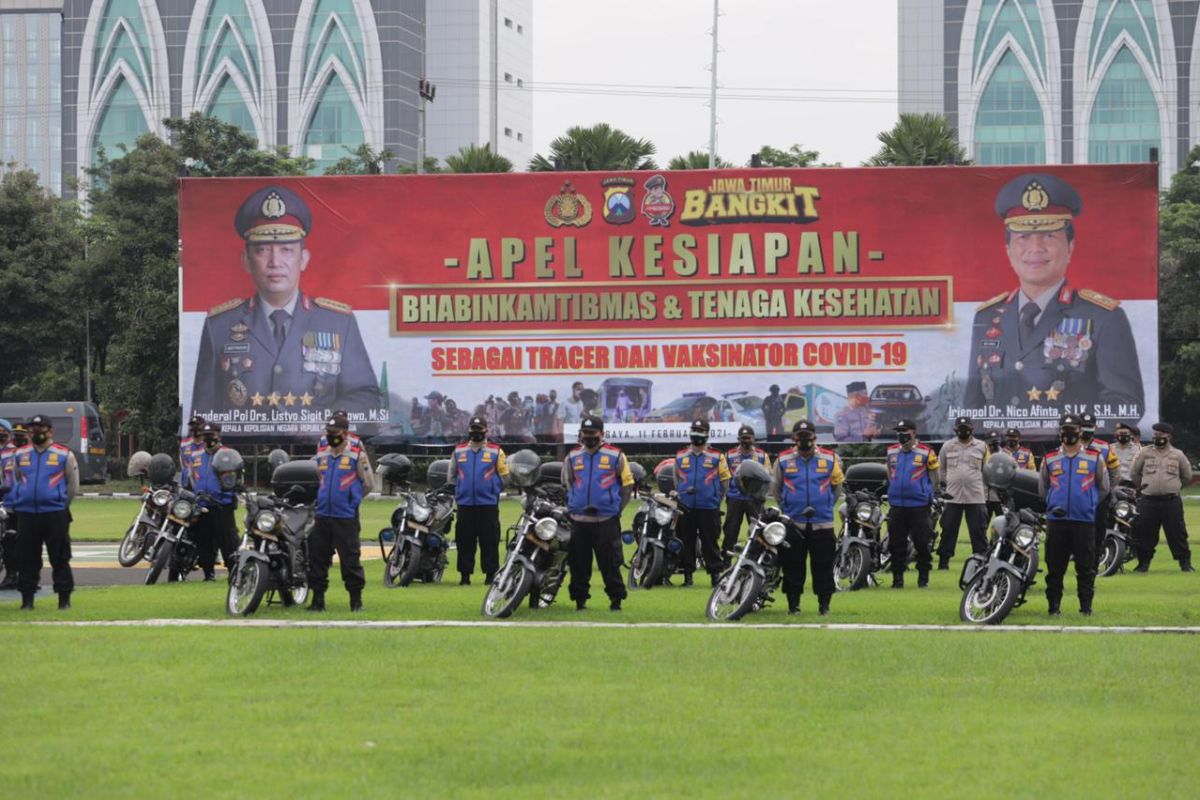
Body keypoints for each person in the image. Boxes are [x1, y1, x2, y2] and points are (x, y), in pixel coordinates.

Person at [190, 184, 380, 418]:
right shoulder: (218, 326)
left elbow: (365, 398)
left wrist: (316, 426)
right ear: (246, 261)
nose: (275, 262)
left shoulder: (339, 323)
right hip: (243, 454)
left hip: (318, 451)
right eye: (262, 250)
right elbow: (203, 413)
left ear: (304, 259)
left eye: (287, 250)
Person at [963, 173, 1144, 417]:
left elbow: (1125, 407)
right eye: (1023, 237)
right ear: (1008, 250)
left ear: (1070, 248)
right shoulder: (987, 317)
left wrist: (1069, 444)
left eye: (1049, 235)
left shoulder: (1104, 318)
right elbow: (973, 408)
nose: (1035, 248)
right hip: (1000, 452)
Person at [562, 414, 634, 610]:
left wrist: (616, 509)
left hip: (606, 519)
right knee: (578, 564)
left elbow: (627, 485)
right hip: (579, 519)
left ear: (602, 434)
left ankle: (616, 600)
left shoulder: (616, 455)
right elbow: (567, 483)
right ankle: (580, 600)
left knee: (610, 563)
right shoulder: (572, 456)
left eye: (593, 433)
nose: (589, 436)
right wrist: (574, 504)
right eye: (585, 433)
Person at [1039, 413, 1109, 616]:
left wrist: (1089, 503)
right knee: (1055, 568)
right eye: (1065, 430)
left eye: (1073, 430)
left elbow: (1103, 488)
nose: (1068, 434)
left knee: (1086, 568)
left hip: (1084, 521)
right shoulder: (1050, 458)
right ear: (1060, 432)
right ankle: (1053, 608)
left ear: (1080, 432)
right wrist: (1054, 503)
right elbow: (1043, 489)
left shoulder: (1095, 457)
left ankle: (1086, 608)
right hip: (1056, 521)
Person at [772, 419, 844, 615]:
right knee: (792, 566)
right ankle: (793, 606)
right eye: (800, 437)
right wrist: (785, 507)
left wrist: (828, 504)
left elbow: (837, 485)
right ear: (794, 438)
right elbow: (775, 488)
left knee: (823, 565)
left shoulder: (830, 458)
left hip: (823, 522)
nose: (804, 440)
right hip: (794, 523)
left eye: (808, 436)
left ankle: (824, 606)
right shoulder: (783, 459)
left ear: (814, 437)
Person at [11, 415, 79, 610]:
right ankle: (27, 600)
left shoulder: (64, 454)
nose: (36, 432)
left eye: (40, 428)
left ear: (50, 431)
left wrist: (60, 503)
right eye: (32, 429)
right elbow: (17, 478)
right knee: (27, 558)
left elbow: (72, 485)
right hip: (26, 514)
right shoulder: (20, 454)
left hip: (55, 513)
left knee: (60, 557)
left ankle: (64, 600)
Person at [308, 412, 375, 611]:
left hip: (345, 517)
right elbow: (321, 478)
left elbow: (368, 484)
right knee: (317, 558)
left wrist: (351, 501)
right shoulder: (321, 454)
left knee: (350, 559)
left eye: (334, 432)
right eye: (328, 432)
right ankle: (317, 600)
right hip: (323, 516)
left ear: (345, 434)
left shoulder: (356, 455)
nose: (330, 436)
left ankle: (356, 601)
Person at [447, 415, 508, 586]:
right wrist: (460, 490)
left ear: (486, 430)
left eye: (479, 430)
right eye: (473, 429)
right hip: (465, 504)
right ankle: (465, 576)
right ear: (468, 430)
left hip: (488, 504)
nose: (476, 432)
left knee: (490, 540)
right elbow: (451, 476)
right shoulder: (458, 451)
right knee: (464, 541)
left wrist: (492, 490)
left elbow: (505, 477)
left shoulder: (496, 451)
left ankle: (490, 575)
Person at [674, 418, 731, 587]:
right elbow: (676, 479)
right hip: (686, 507)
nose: (696, 434)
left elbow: (725, 482)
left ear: (707, 435)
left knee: (710, 542)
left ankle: (714, 576)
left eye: (700, 431)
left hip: (709, 507)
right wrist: (681, 497)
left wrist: (715, 500)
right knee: (686, 542)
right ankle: (688, 577)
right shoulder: (680, 455)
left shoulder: (717, 456)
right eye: (694, 431)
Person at [1129, 422, 1193, 573]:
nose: (1157, 437)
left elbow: (1187, 476)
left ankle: (1185, 563)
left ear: (1168, 437)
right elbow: (1134, 473)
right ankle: (1143, 564)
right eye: (1155, 435)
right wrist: (1145, 486)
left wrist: (1174, 487)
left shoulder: (1178, 454)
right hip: (1148, 500)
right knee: (1144, 533)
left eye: (1160, 435)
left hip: (1171, 501)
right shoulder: (1144, 452)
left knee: (1177, 533)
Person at [884, 419, 940, 588]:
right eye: (899, 431)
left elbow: (935, 478)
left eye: (905, 431)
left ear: (914, 433)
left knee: (922, 543)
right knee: (896, 544)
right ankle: (897, 580)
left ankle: (923, 579)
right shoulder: (891, 451)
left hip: (918, 506)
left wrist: (928, 494)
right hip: (897, 506)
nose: (901, 435)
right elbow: (889, 473)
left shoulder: (926, 452)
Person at [186, 422, 240, 581]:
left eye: (212, 435)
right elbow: (190, 477)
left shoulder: (228, 454)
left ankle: (234, 571)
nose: (209, 438)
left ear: (219, 435)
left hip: (222, 505)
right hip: (202, 505)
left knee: (227, 540)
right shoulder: (196, 455)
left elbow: (236, 477)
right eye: (206, 435)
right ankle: (208, 574)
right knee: (204, 540)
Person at [936, 416, 988, 570]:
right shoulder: (947, 446)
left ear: (972, 429)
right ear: (955, 430)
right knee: (948, 530)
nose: (963, 431)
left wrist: (983, 487)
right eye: (960, 428)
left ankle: (980, 562)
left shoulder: (982, 446)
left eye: (966, 428)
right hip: (952, 496)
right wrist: (948, 483)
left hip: (976, 496)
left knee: (978, 531)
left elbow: (987, 470)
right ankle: (943, 562)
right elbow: (941, 469)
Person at [723, 425, 770, 560]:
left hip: (754, 499)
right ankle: (726, 561)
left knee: (757, 531)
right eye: (743, 438)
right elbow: (725, 477)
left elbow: (768, 475)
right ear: (738, 439)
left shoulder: (762, 455)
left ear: (753, 439)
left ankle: (755, 559)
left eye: (748, 438)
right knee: (730, 531)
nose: (746, 441)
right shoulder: (729, 454)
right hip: (734, 498)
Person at [1080, 412, 1120, 567]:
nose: (1086, 429)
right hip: (1078, 497)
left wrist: (1109, 489)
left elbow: (1115, 472)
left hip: (1099, 498)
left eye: (1089, 426)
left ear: (1095, 427)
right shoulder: (1071, 446)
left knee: (1098, 531)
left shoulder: (1104, 447)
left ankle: (1094, 562)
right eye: (1083, 425)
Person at [0, 419, 19, 590]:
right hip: (3, 502)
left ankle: (17, 576)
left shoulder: (15, 453)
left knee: (13, 540)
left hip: (14, 504)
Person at [179, 415, 205, 489]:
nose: (194, 428)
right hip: (187, 484)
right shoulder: (184, 443)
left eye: (197, 425)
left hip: (204, 484)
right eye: (192, 426)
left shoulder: (209, 443)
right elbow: (183, 464)